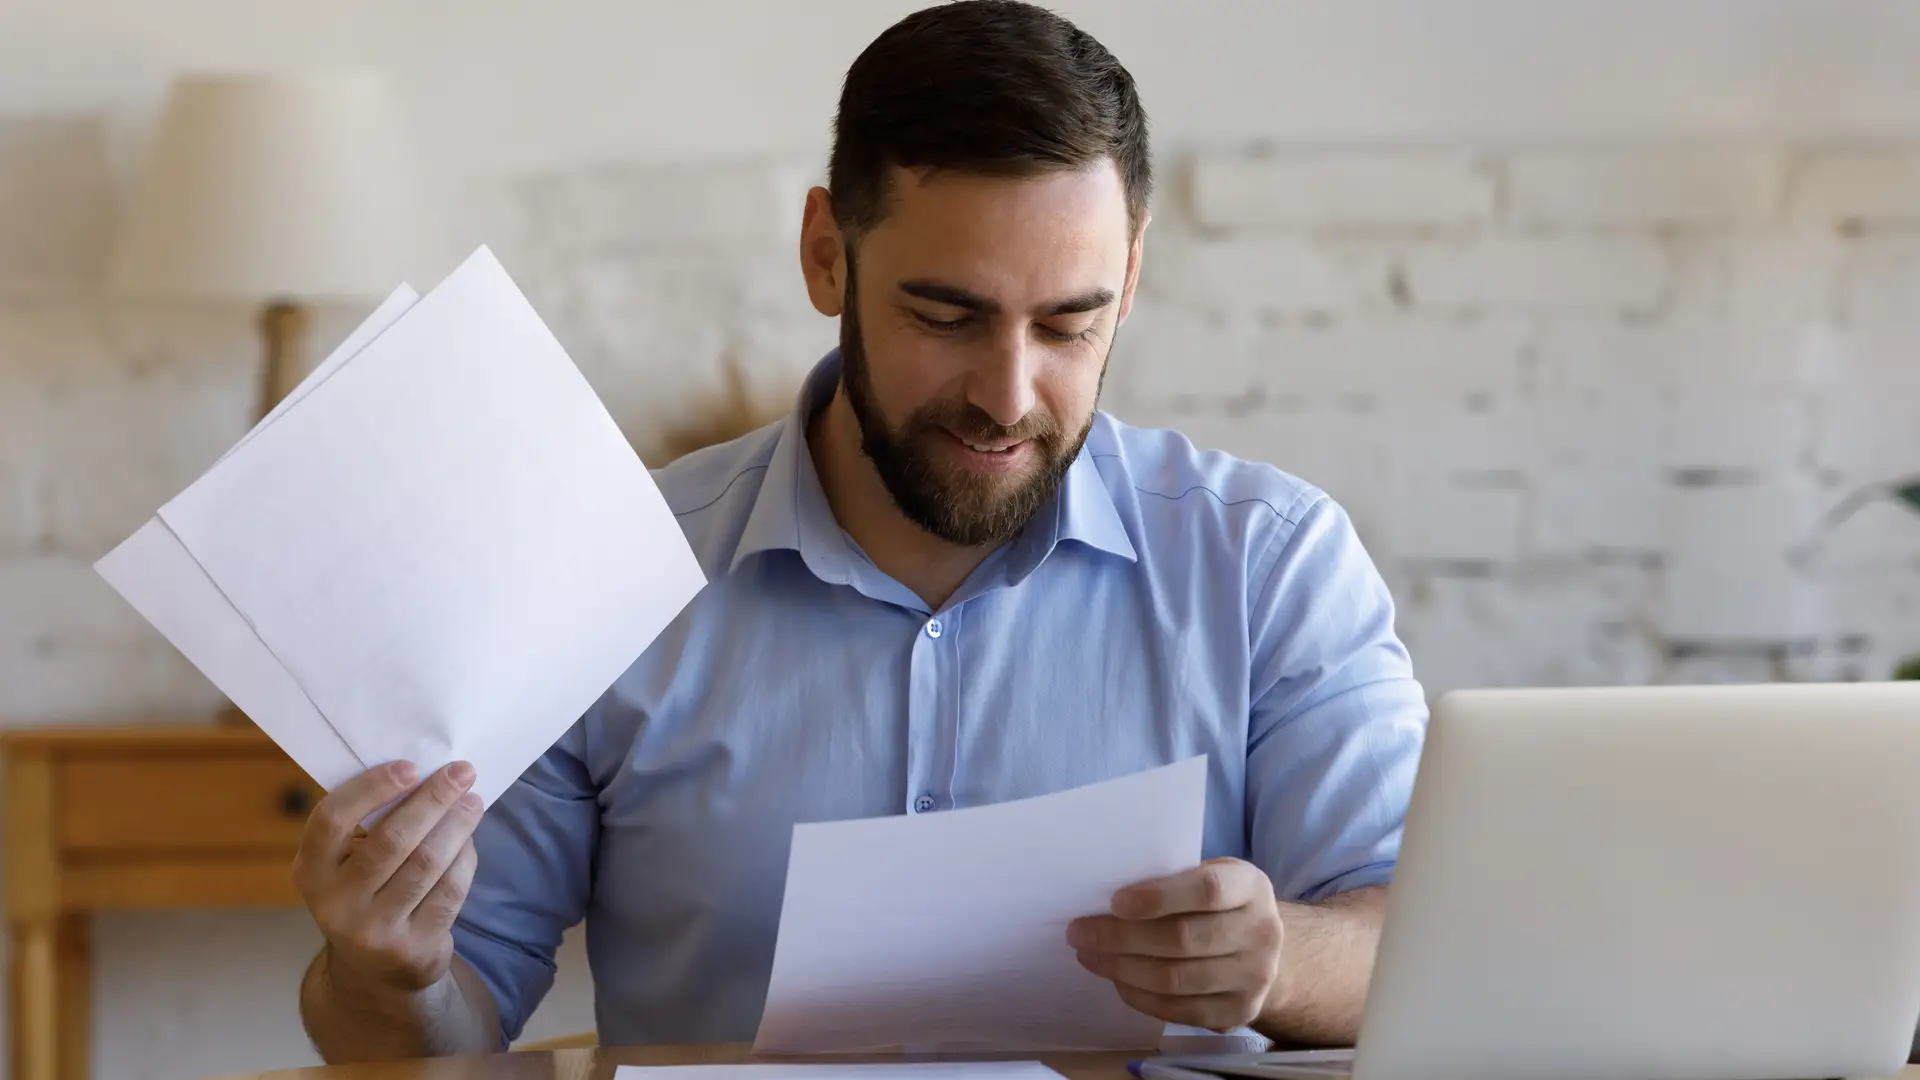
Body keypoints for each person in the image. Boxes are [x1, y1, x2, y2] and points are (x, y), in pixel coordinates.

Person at [293, 0, 1427, 1062]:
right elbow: (439, 1027)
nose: (1008, 396)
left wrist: (1281, 960)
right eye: (946, 316)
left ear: (1128, 280)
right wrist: (385, 972)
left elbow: (1421, 952)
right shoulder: (610, 577)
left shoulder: (1269, 566)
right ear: (827, 255)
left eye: (1067, 326)